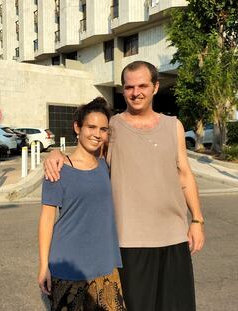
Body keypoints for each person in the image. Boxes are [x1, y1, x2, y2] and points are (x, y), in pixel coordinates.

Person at [44, 61, 205, 311]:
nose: (135, 92)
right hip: (129, 241)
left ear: (155, 87)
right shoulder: (113, 127)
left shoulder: (174, 126)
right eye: (129, 87)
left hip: (173, 236)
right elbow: (87, 154)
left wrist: (197, 220)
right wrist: (57, 155)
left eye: (142, 85)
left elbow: (184, 174)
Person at [38, 97, 126, 311]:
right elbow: (47, 219)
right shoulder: (57, 169)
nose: (97, 134)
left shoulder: (105, 165)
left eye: (103, 129)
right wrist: (43, 267)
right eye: (91, 127)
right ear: (77, 127)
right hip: (68, 267)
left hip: (105, 266)